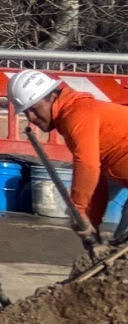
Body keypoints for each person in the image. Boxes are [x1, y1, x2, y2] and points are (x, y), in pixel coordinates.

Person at [16, 70, 128, 245]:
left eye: (34, 109)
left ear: (52, 96)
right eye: (26, 112)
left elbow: (87, 165)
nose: (31, 117)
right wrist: (92, 222)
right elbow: (96, 179)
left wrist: (79, 209)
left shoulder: (79, 113)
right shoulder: (74, 116)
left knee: (122, 253)